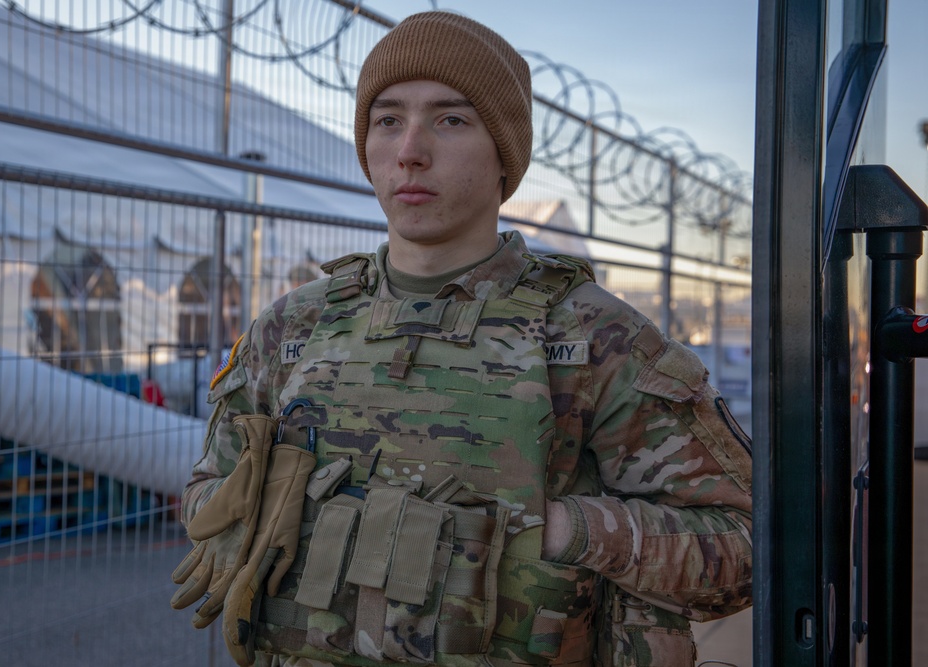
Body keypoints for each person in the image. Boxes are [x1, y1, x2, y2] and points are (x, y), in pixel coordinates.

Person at [174, 11, 752, 667]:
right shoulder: (293, 325)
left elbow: (744, 545)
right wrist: (247, 507)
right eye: (388, 119)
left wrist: (571, 530)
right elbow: (207, 483)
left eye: (450, 119)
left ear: (504, 152)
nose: (409, 149)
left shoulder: (595, 337)